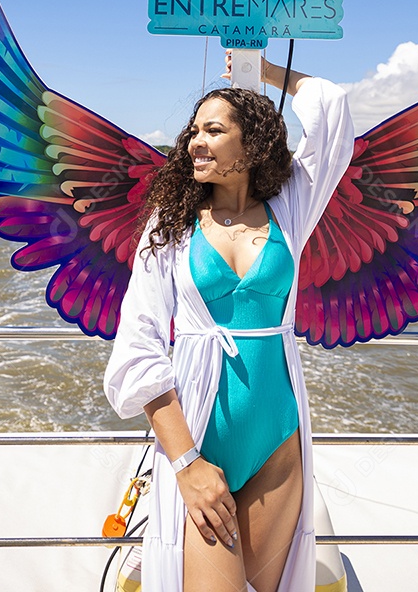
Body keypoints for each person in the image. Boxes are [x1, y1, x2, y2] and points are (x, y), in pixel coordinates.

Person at [103, 55, 354, 592]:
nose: (196, 140)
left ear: (254, 145)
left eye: (214, 130)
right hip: (199, 439)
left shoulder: (292, 207)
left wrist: (267, 70)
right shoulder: (169, 228)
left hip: (278, 444)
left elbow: (331, 110)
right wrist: (188, 464)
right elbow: (139, 346)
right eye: (194, 130)